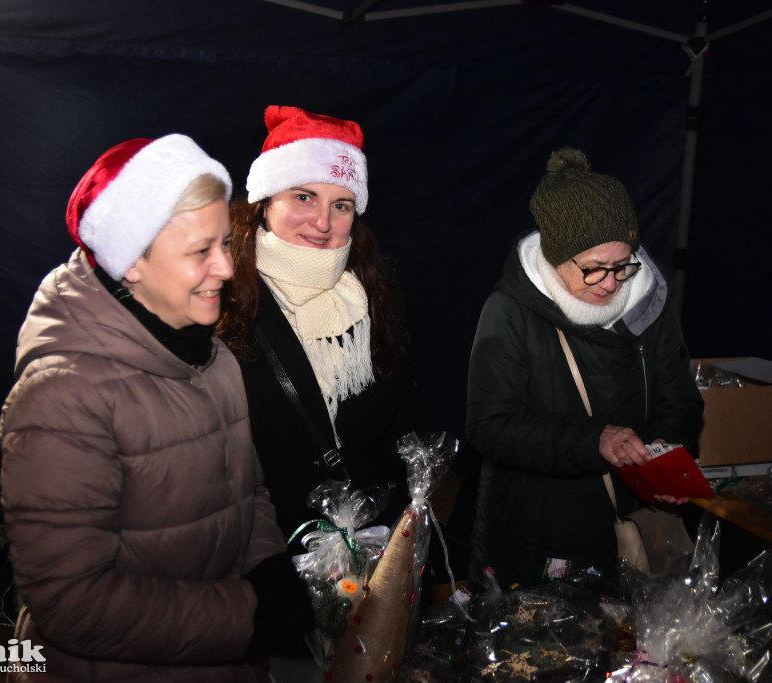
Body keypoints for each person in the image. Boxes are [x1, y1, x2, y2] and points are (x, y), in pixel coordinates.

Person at [0, 134, 313, 683]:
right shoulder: (62, 397)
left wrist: (266, 570)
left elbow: (248, 490)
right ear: (131, 262)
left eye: (225, 245)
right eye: (200, 252)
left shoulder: (213, 357)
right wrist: (247, 615)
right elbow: (73, 602)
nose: (227, 269)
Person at [466, 147, 704, 589]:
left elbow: (681, 398)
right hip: (538, 538)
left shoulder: (651, 305)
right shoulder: (510, 312)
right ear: (557, 257)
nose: (612, 283)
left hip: (636, 525)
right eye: (594, 269)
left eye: (622, 265)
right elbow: (490, 427)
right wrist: (595, 440)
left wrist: (665, 452)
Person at [219, 105, 419, 546]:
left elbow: (402, 431)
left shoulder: (371, 294)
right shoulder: (221, 298)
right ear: (266, 202)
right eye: (303, 197)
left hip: (366, 545)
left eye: (341, 205)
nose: (323, 223)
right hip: (264, 551)